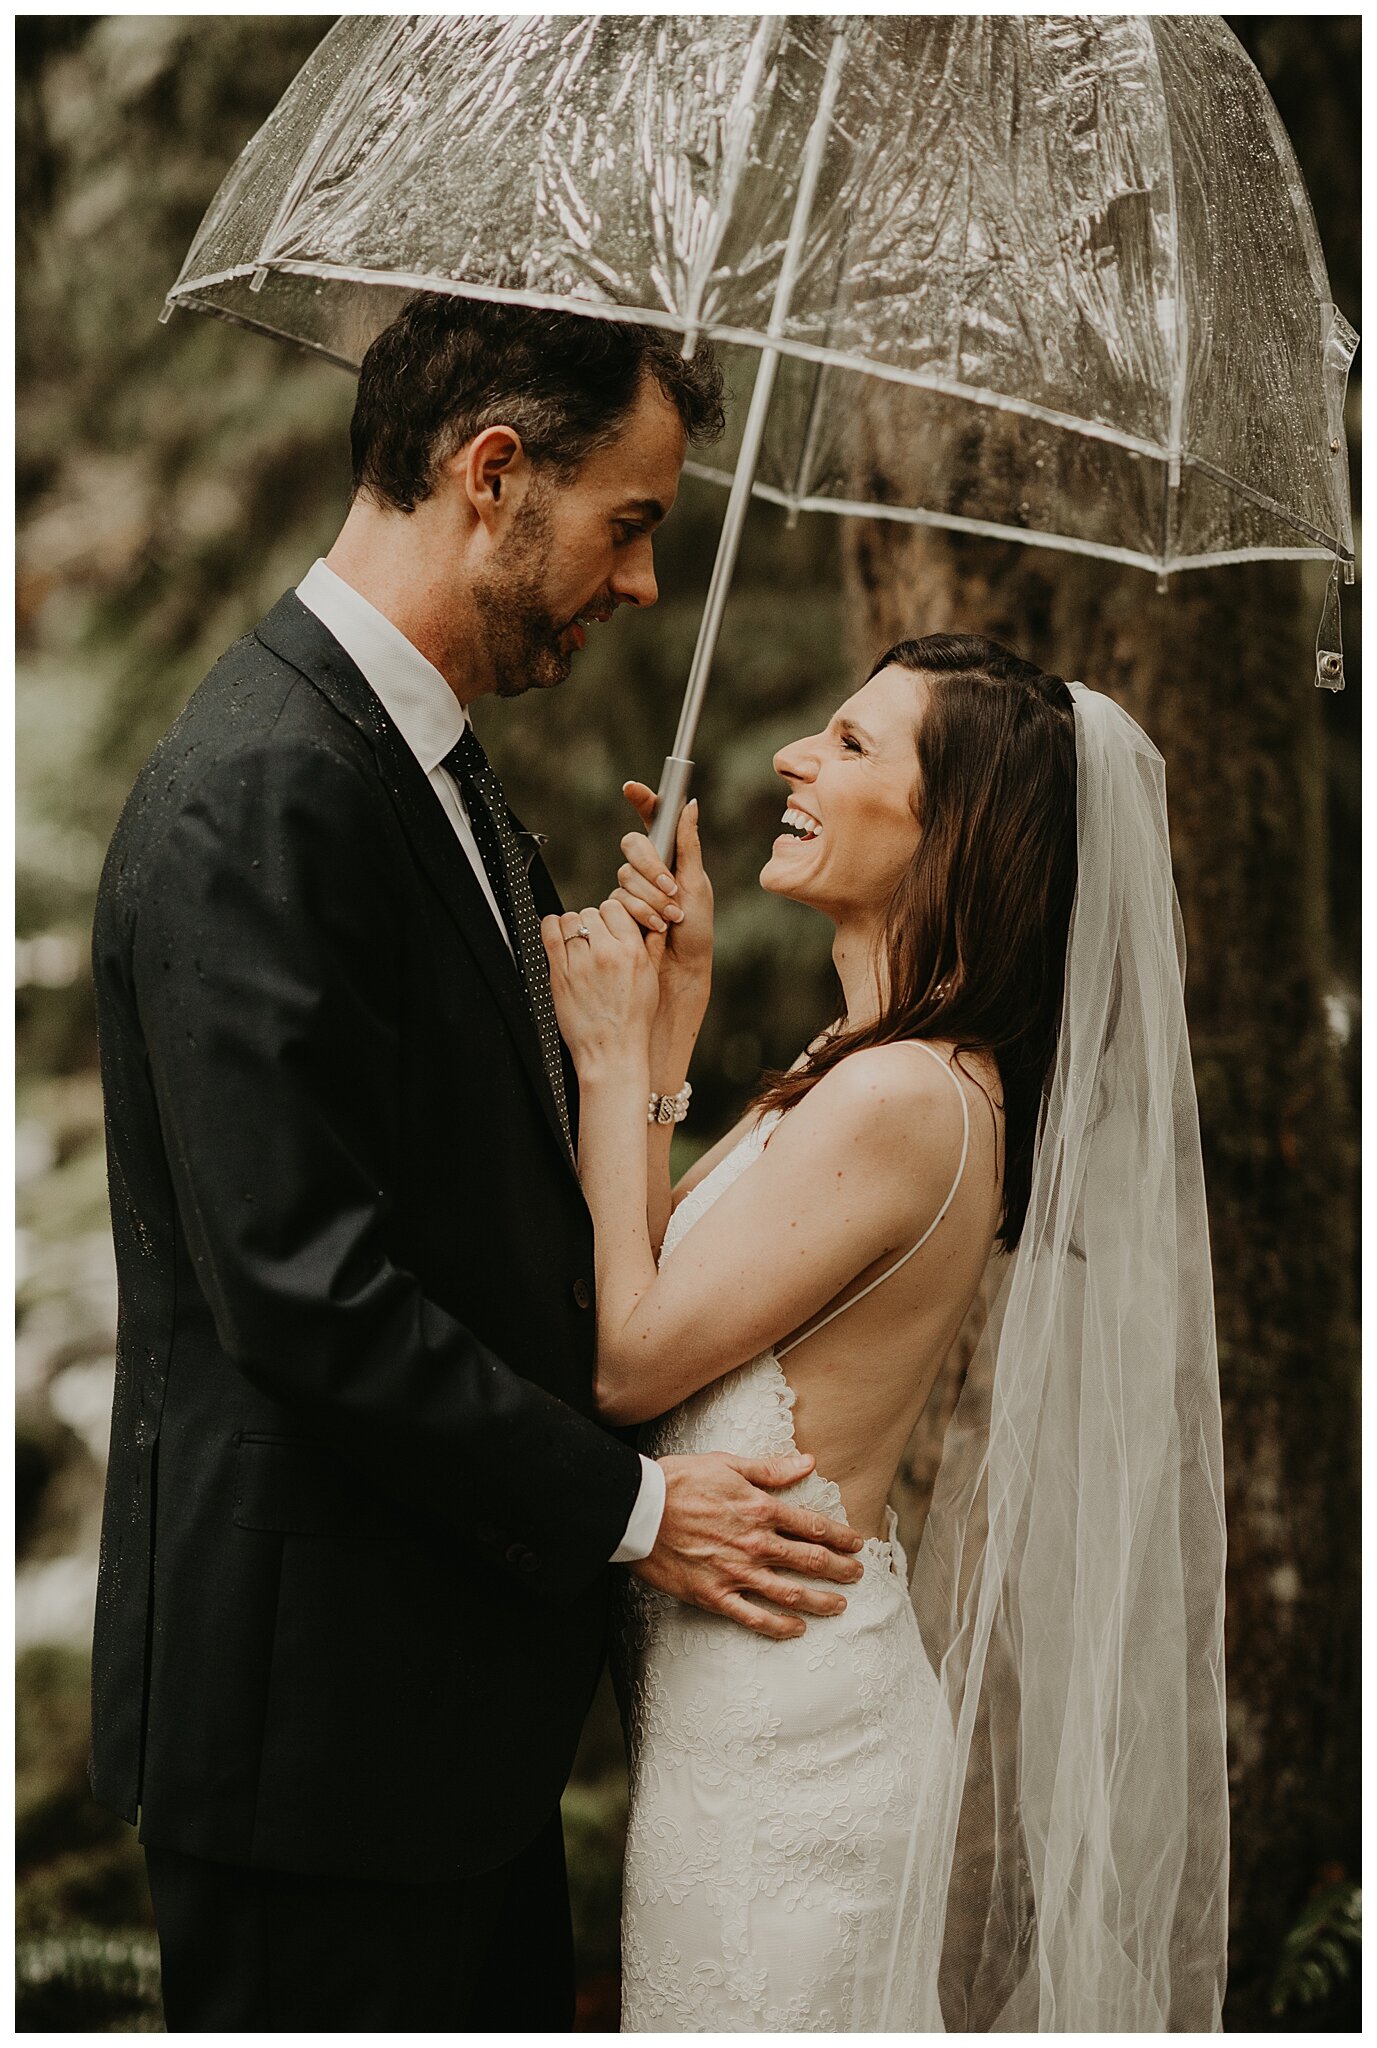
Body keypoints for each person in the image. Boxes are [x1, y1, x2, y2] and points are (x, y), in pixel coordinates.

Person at [87, 293, 869, 2033]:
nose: (645, 585)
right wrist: (642, 1514)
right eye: (634, 526)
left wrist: (635, 1056)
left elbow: (473, 1194)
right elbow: (307, 1292)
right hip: (322, 1758)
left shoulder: (417, 768)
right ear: (493, 473)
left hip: (433, 1740)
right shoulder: (264, 789)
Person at [544, 635, 1229, 2031]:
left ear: (952, 829)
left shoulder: (907, 1095)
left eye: (852, 746)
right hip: (739, 1736)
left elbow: (621, 1358)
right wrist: (669, 1034)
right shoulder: (858, 1066)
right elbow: (662, 1281)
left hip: (784, 1763)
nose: (794, 758)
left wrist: (610, 1064)